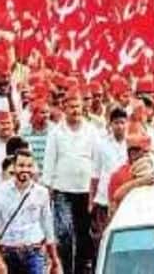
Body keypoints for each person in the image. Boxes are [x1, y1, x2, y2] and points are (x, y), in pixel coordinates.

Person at [42, 90, 96, 274]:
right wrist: (47, 190)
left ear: (83, 108)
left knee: (84, 233)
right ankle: (65, 268)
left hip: (86, 191)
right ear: (64, 108)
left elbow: (97, 160)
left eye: (78, 107)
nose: (75, 110)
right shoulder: (56, 132)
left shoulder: (92, 131)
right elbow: (49, 163)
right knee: (64, 233)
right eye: (71, 107)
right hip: (62, 191)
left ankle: (82, 269)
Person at [0, 149, 62, 274]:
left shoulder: (41, 193)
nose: (25, 169)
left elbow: (48, 228)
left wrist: (55, 260)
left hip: (34, 252)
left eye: (29, 166)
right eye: (21, 165)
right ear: (14, 167)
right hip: (8, 253)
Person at [89, 108, 128, 264]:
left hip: (125, 201)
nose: (120, 126)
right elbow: (95, 174)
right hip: (104, 199)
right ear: (110, 124)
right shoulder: (101, 144)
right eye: (116, 123)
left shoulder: (131, 144)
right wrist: (91, 200)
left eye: (122, 123)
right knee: (102, 241)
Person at [107, 133, 154, 214]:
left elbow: (150, 177)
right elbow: (116, 197)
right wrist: (138, 182)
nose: (134, 153)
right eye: (131, 150)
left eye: (137, 149)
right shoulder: (120, 171)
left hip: (153, 209)